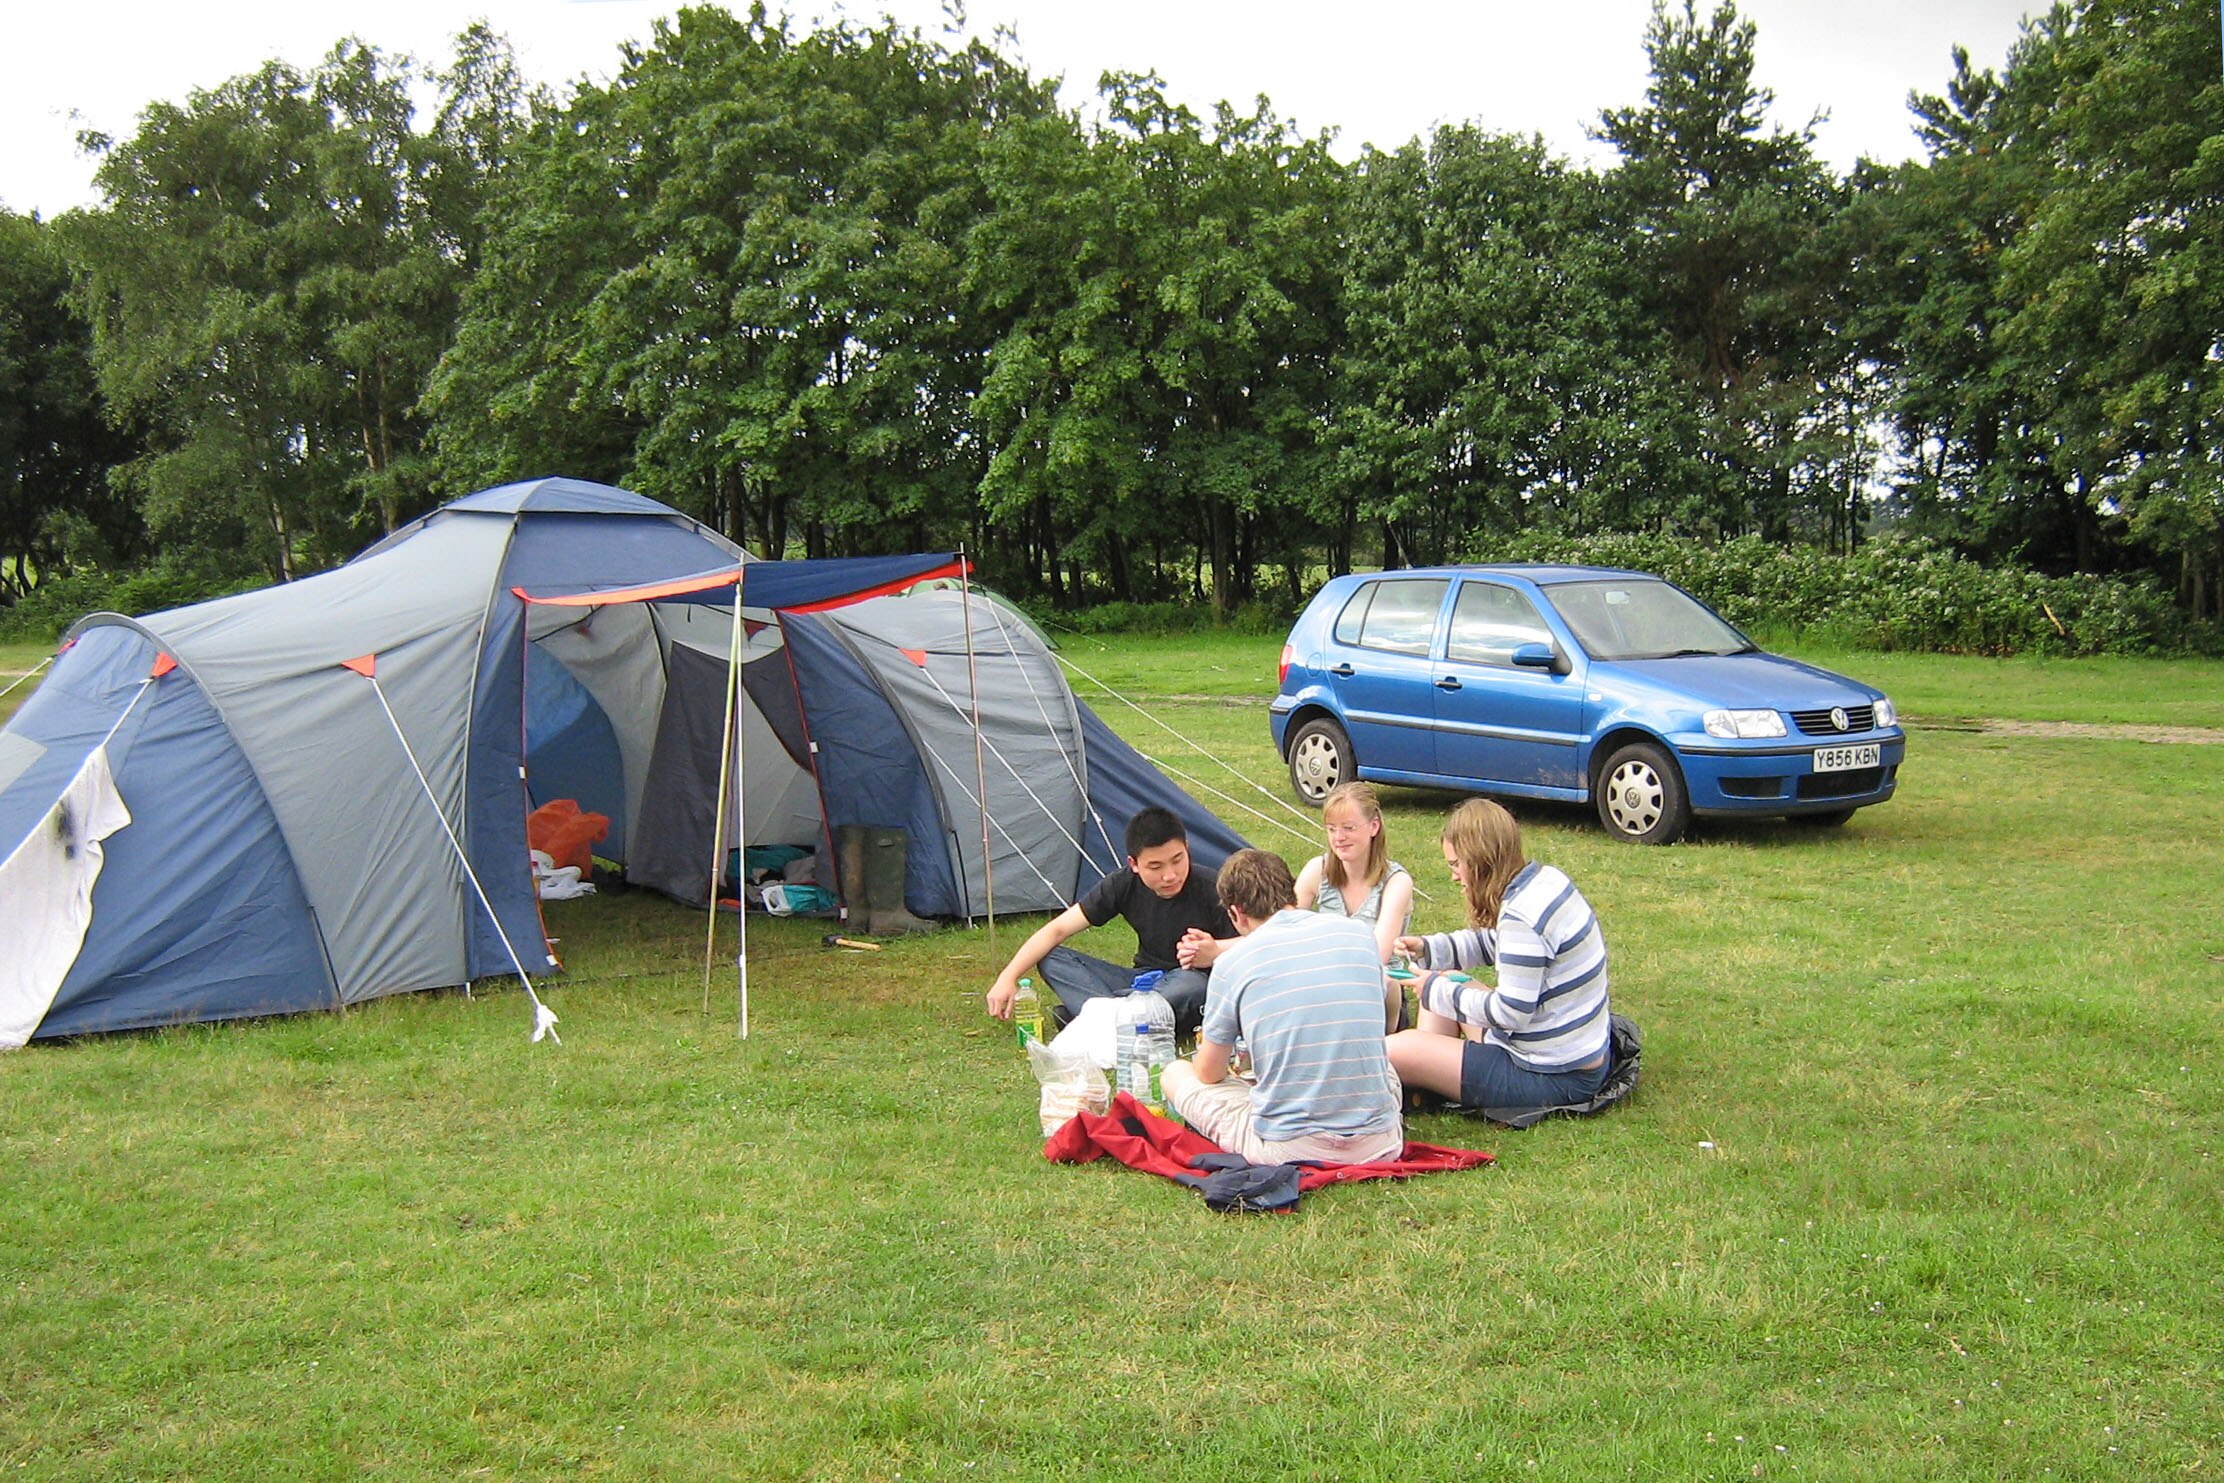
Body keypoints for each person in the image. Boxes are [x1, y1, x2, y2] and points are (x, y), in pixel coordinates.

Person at [1159, 848, 1406, 1165]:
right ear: (1291, 892)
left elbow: (1208, 1073)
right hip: (1379, 1144)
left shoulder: (1233, 961)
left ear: (1236, 914)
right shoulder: (1358, 934)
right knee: (1381, 1066)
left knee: (1176, 1073)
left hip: (1289, 1149)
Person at [1387, 798, 1613, 1113]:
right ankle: (1429, 1081)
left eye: (1455, 864)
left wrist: (1433, 991)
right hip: (1573, 1055)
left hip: (1551, 1074)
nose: (1454, 876)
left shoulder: (1522, 917)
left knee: (1394, 1049)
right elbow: (1498, 943)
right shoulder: (1544, 881)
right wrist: (1430, 949)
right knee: (1449, 979)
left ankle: (1424, 1074)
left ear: (1479, 861)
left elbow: (1511, 1012)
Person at [983, 806, 1233, 1037]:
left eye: (1178, 860)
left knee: (1192, 986)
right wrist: (1008, 976)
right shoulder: (1123, 884)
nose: (1170, 875)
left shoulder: (1214, 887)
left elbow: (1265, 938)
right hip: (1141, 981)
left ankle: (1095, 1016)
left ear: (1187, 848)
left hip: (1189, 982)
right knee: (1051, 958)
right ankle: (1122, 1018)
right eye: (1155, 866)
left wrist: (1216, 951)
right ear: (1133, 864)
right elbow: (1057, 929)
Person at [1292, 780, 1414, 1030]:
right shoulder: (1318, 870)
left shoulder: (1397, 882)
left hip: (1378, 993)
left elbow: (1377, 955)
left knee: (1383, 979)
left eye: (1348, 828)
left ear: (1374, 826)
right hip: (1323, 985)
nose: (1339, 838)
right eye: (1331, 829)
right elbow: (1284, 931)